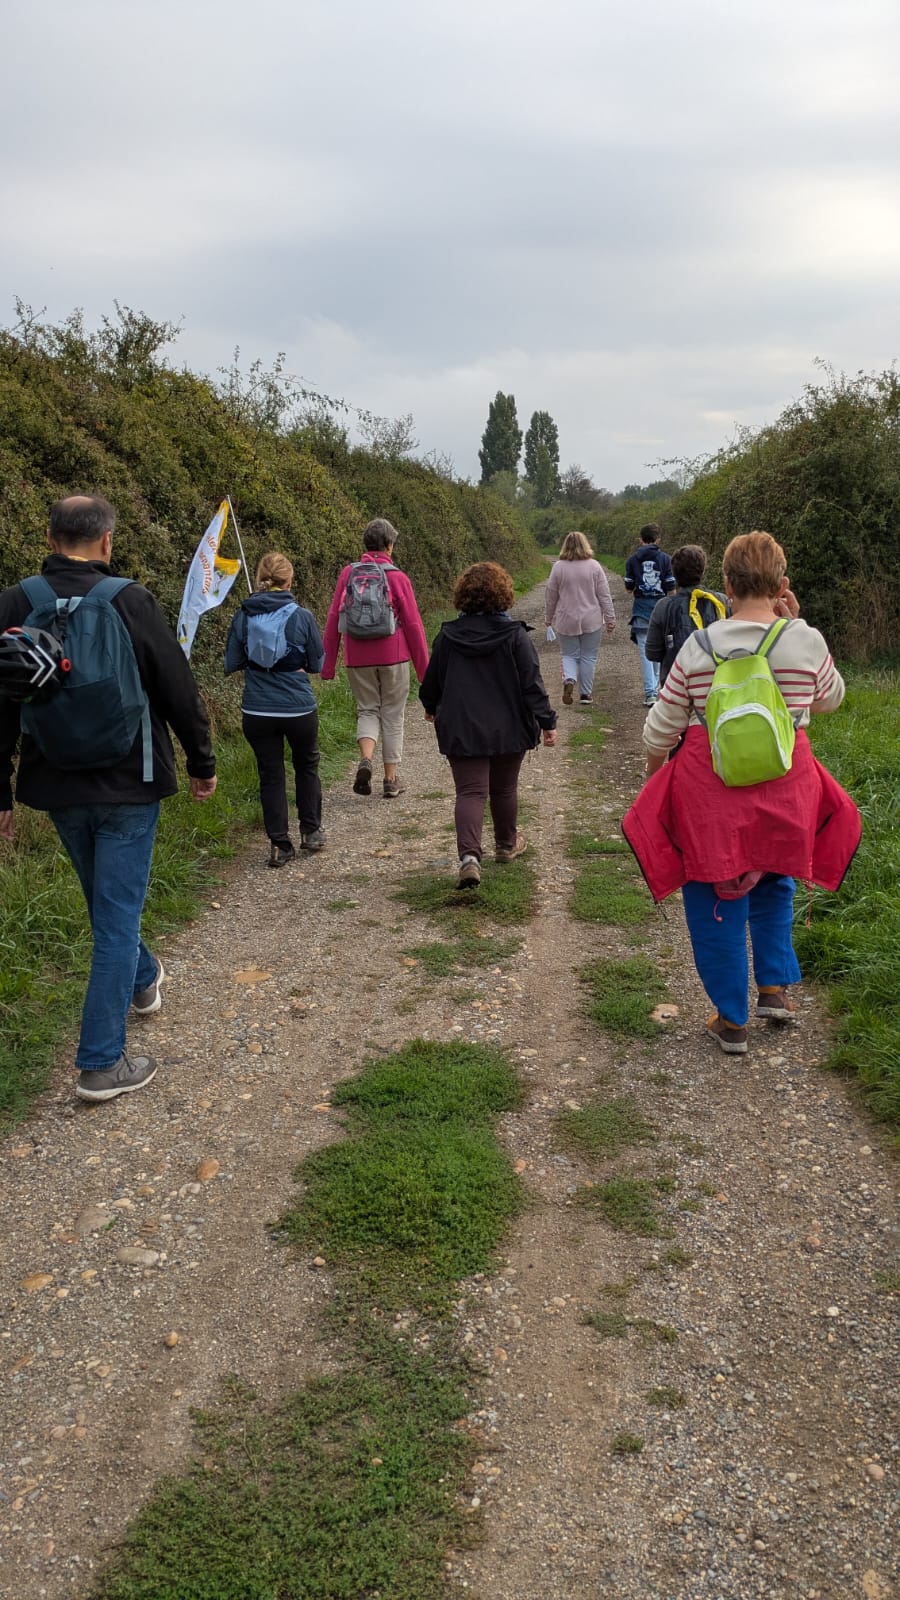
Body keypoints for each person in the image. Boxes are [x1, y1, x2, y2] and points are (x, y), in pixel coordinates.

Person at [0, 495, 217, 1103]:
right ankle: (100, 1063)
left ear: (48, 536)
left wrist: (1, 793)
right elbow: (177, 687)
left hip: (56, 783)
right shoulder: (130, 599)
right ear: (106, 542)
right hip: (130, 780)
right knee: (115, 917)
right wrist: (203, 763)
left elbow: (0, 709)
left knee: (109, 907)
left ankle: (144, 980)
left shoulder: (15, 603)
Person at [622, 530, 861, 1055]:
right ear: (781, 584)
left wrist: (654, 775)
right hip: (788, 787)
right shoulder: (805, 640)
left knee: (714, 895)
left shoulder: (700, 646)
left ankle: (732, 1021)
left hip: (712, 793)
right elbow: (830, 700)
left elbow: (660, 729)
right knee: (775, 882)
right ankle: (774, 989)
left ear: (727, 585)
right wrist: (796, 623)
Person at [419, 561, 558, 890]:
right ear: (504, 595)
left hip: (462, 725)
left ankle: (469, 858)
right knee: (504, 788)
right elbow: (532, 684)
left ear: (462, 595)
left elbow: (431, 679)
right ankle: (506, 845)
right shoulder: (515, 636)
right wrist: (547, 721)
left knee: (470, 791)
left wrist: (429, 706)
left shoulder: (448, 636)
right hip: (509, 725)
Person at [225, 552, 325, 867]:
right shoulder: (302, 616)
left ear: (259, 579)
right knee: (306, 766)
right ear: (289, 581)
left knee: (271, 774)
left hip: (257, 709)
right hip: (298, 708)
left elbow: (232, 661)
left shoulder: (243, 615)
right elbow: (317, 663)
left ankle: (280, 845)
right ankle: (310, 831)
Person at [322, 518, 429, 799]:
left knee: (367, 710)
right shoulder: (397, 577)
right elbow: (415, 626)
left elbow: (334, 618)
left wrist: (327, 665)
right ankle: (391, 779)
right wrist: (425, 673)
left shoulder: (348, 574)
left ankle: (366, 759)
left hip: (357, 656)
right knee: (392, 713)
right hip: (394, 655)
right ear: (390, 545)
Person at [544, 531, 616, 705]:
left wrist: (548, 618)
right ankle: (585, 694)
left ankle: (569, 679)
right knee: (588, 657)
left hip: (566, 619)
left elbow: (551, 596)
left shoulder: (558, 567)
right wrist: (610, 617)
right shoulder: (594, 566)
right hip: (591, 619)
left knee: (569, 654)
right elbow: (604, 595)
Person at [644, 544, 727, 686]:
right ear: (703, 571)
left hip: (676, 686)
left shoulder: (663, 606)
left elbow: (652, 653)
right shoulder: (721, 602)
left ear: (674, 572)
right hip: (716, 684)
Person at [624, 523, 676, 706]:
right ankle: (658, 690)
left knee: (646, 653)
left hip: (641, 611)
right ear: (658, 539)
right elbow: (671, 588)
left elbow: (628, 588)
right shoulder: (666, 559)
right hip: (662, 611)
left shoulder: (632, 560)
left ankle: (650, 693)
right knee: (660, 652)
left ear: (641, 539)